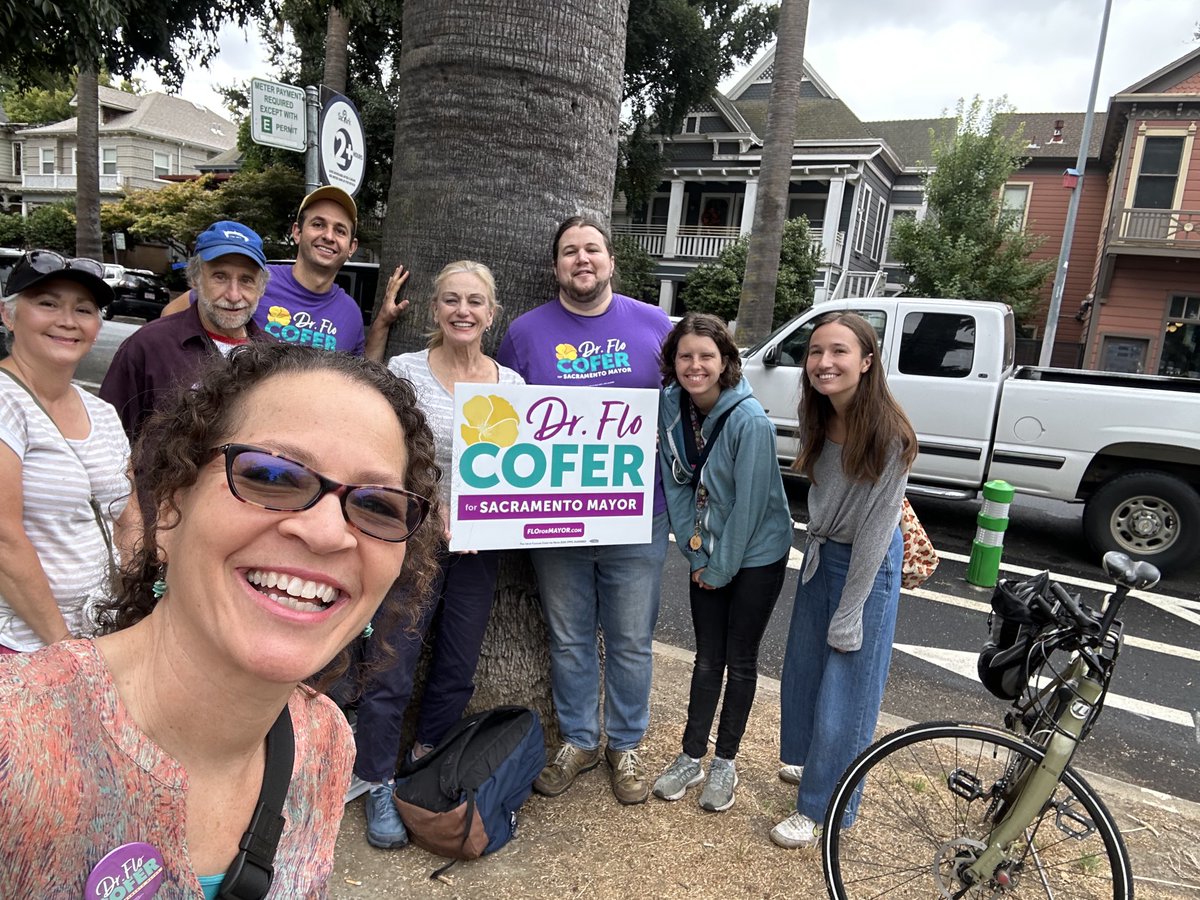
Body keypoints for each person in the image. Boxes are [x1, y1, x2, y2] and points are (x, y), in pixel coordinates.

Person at [0, 344, 441, 896]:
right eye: (271, 476)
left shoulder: (325, 742)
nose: (328, 532)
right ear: (167, 507)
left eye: (378, 505)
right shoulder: (14, 739)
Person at [498, 215, 672, 805]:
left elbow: (691, 401)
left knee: (630, 639)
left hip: (636, 510)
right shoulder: (523, 333)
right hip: (555, 513)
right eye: (570, 251)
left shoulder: (655, 326)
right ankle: (579, 739)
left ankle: (626, 745)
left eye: (592, 249)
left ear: (611, 261)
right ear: (555, 267)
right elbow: (502, 417)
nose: (582, 259)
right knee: (569, 637)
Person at [355, 260, 524, 849]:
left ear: (491, 314)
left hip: (479, 546)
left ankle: (427, 760)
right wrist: (430, 506)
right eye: (451, 300)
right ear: (434, 310)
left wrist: (498, 517)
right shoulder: (404, 372)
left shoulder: (510, 386)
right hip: (412, 539)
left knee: (457, 663)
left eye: (475, 302)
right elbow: (379, 448)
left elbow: (520, 474)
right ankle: (375, 778)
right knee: (390, 664)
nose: (463, 311)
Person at [769, 311, 917, 849]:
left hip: (866, 567)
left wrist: (853, 608)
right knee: (805, 671)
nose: (824, 362)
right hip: (822, 554)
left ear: (867, 361)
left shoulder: (888, 432)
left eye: (839, 352)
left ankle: (827, 805)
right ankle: (814, 769)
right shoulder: (820, 414)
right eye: (815, 352)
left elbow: (878, 534)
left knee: (847, 689)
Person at [652, 313, 792, 812]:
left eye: (706, 356)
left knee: (740, 658)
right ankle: (692, 754)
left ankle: (725, 763)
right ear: (673, 361)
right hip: (707, 549)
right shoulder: (671, 405)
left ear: (726, 361)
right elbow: (677, 483)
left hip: (756, 552)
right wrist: (695, 551)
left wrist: (718, 568)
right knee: (707, 657)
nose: (695, 366)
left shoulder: (750, 420)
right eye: (685, 356)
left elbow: (751, 506)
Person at [0, 251, 137, 653]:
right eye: (47, 304)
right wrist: (64, 645)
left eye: (84, 309)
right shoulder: (6, 401)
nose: (67, 320)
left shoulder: (103, 412)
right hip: (23, 646)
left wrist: (135, 604)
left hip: (102, 637)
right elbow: (5, 538)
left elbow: (127, 514)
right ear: (9, 316)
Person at [100, 220, 272, 442]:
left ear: (261, 288)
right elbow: (109, 439)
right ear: (195, 279)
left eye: (247, 280)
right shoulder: (148, 345)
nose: (233, 295)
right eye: (220, 277)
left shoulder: (271, 355)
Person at [254, 186, 365, 354]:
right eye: (318, 224)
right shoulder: (257, 282)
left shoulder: (351, 315)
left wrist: (382, 324)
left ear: (351, 247)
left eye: (340, 231)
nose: (329, 236)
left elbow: (359, 377)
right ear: (297, 232)